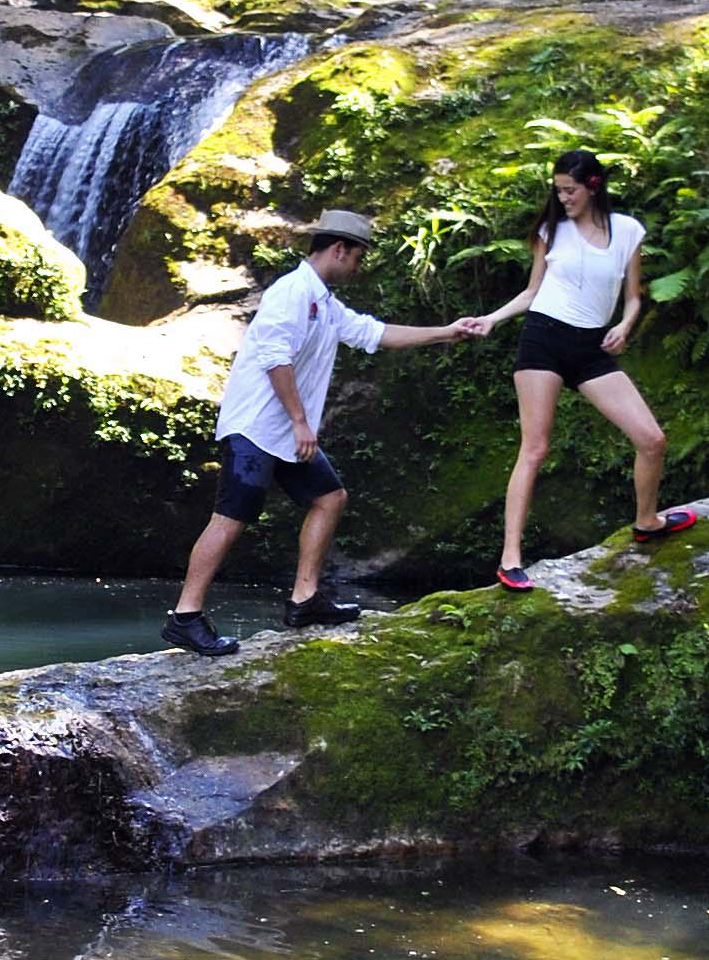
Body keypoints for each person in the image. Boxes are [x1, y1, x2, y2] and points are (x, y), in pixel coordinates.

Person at [165, 210, 478, 656]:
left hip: (285, 434)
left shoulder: (325, 303)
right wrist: (299, 420)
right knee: (231, 516)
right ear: (340, 249)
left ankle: (305, 599)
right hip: (255, 427)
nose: (359, 266)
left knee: (330, 498)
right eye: (359, 258)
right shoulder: (291, 292)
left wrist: (447, 333)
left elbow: (375, 333)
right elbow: (275, 356)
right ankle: (186, 616)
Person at [468, 148, 698, 591]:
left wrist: (625, 326)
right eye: (558, 190)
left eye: (570, 190)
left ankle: (647, 521)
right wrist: (492, 319)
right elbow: (532, 291)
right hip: (544, 339)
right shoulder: (551, 230)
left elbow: (633, 296)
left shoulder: (628, 232)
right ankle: (510, 558)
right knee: (534, 449)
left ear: (593, 186)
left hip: (591, 347)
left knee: (652, 439)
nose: (563, 198)